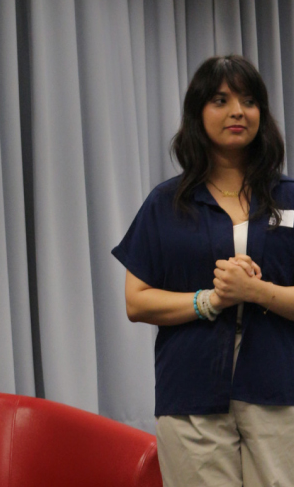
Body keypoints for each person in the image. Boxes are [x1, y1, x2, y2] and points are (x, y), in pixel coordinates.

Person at [112, 54, 294, 486]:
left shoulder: (289, 197)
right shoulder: (166, 203)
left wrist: (255, 291)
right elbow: (136, 302)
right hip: (191, 392)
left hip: (280, 389)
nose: (237, 111)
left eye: (248, 101)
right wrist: (209, 301)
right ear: (198, 113)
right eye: (220, 100)